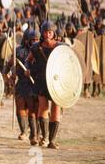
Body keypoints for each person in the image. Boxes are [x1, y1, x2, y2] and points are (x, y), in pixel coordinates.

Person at [25, 21, 64, 149]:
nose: (47, 34)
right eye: (46, 32)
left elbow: (68, 61)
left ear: (53, 33)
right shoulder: (36, 47)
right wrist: (28, 68)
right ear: (42, 33)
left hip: (56, 80)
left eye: (50, 32)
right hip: (41, 79)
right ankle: (45, 137)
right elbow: (28, 60)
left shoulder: (60, 47)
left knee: (56, 108)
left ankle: (52, 140)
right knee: (43, 107)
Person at [4, 29, 41, 145]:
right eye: (32, 40)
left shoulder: (40, 51)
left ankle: (34, 134)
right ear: (27, 40)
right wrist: (10, 77)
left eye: (37, 39)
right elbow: (8, 65)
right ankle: (24, 131)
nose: (34, 41)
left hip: (34, 84)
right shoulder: (18, 52)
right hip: (21, 84)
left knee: (33, 110)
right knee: (20, 108)